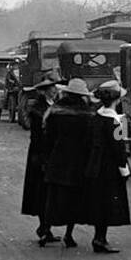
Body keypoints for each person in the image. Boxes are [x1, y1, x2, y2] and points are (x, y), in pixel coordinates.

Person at [41, 77, 94, 248]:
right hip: (77, 162)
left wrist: (46, 158)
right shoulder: (87, 114)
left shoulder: (55, 112)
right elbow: (89, 141)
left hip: (57, 159)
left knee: (53, 198)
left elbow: (48, 137)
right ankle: (68, 235)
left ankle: (45, 231)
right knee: (74, 200)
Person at [80, 81, 131, 253]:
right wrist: (124, 169)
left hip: (95, 166)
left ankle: (98, 237)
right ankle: (100, 239)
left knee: (98, 203)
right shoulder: (119, 121)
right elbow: (120, 148)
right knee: (108, 203)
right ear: (117, 100)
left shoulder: (95, 117)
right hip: (110, 169)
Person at [22, 77, 57, 236]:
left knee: (48, 192)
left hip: (49, 153)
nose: (55, 90)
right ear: (44, 91)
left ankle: (46, 227)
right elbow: (37, 136)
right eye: (51, 88)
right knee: (41, 192)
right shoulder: (38, 109)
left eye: (54, 88)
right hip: (40, 154)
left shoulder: (53, 106)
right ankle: (43, 226)